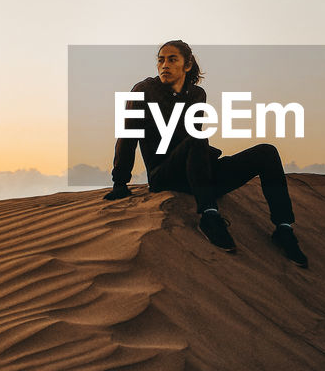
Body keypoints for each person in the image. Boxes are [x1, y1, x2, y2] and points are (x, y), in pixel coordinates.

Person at [103, 40, 309, 267]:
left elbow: (193, 142)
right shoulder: (143, 91)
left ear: (187, 65)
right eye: (160, 60)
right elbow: (128, 134)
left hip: (199, 174)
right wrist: (120, 182)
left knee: (267, 153)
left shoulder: (197, 95)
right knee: (198, 137)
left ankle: (283, 228)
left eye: (172, 59)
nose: (164, 65)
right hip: (165, 174)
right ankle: (209, 216)